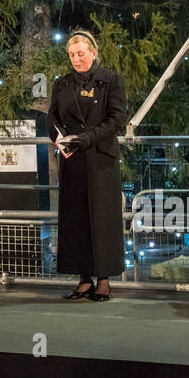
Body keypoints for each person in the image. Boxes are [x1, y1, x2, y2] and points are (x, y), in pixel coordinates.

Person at [49, 31, 129, 301]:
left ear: (93, 52)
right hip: (73, 159)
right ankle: (83, 278)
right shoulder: (62, 84)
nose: (76, 59)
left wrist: (88, 138)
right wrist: (62, 141)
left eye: (81, 54)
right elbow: (53, 118)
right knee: (76, 219)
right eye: (72, 55)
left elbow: (117, 119)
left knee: (103, 219)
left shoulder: (111, 81)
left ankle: (104, 279)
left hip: (101, 157)